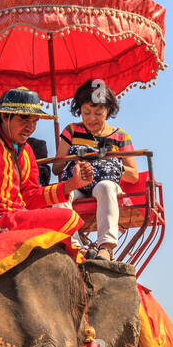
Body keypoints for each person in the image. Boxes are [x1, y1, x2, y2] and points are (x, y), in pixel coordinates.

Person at [0, 87, 92, 237]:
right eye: (24, 119)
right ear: (5, 116)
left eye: (35, 121)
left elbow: (30, 197)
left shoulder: (27, 151)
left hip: (16, 218)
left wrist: (72, 184)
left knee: (66, 216)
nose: (30, 128)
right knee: (68, 217)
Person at [52, 79, 138, 259]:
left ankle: (106, 247)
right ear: (79, 110)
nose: (92, 118)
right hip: (78, 186)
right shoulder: (72, 131)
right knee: (61, 195)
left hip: (106, 187)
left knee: (105, 186)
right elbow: (56, 169)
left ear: (108, 110)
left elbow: (133, 176)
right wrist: (73, 159)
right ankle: (75, 245)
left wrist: (109, 165)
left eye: (98, 113)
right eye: (86, 112)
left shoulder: (121, 137)